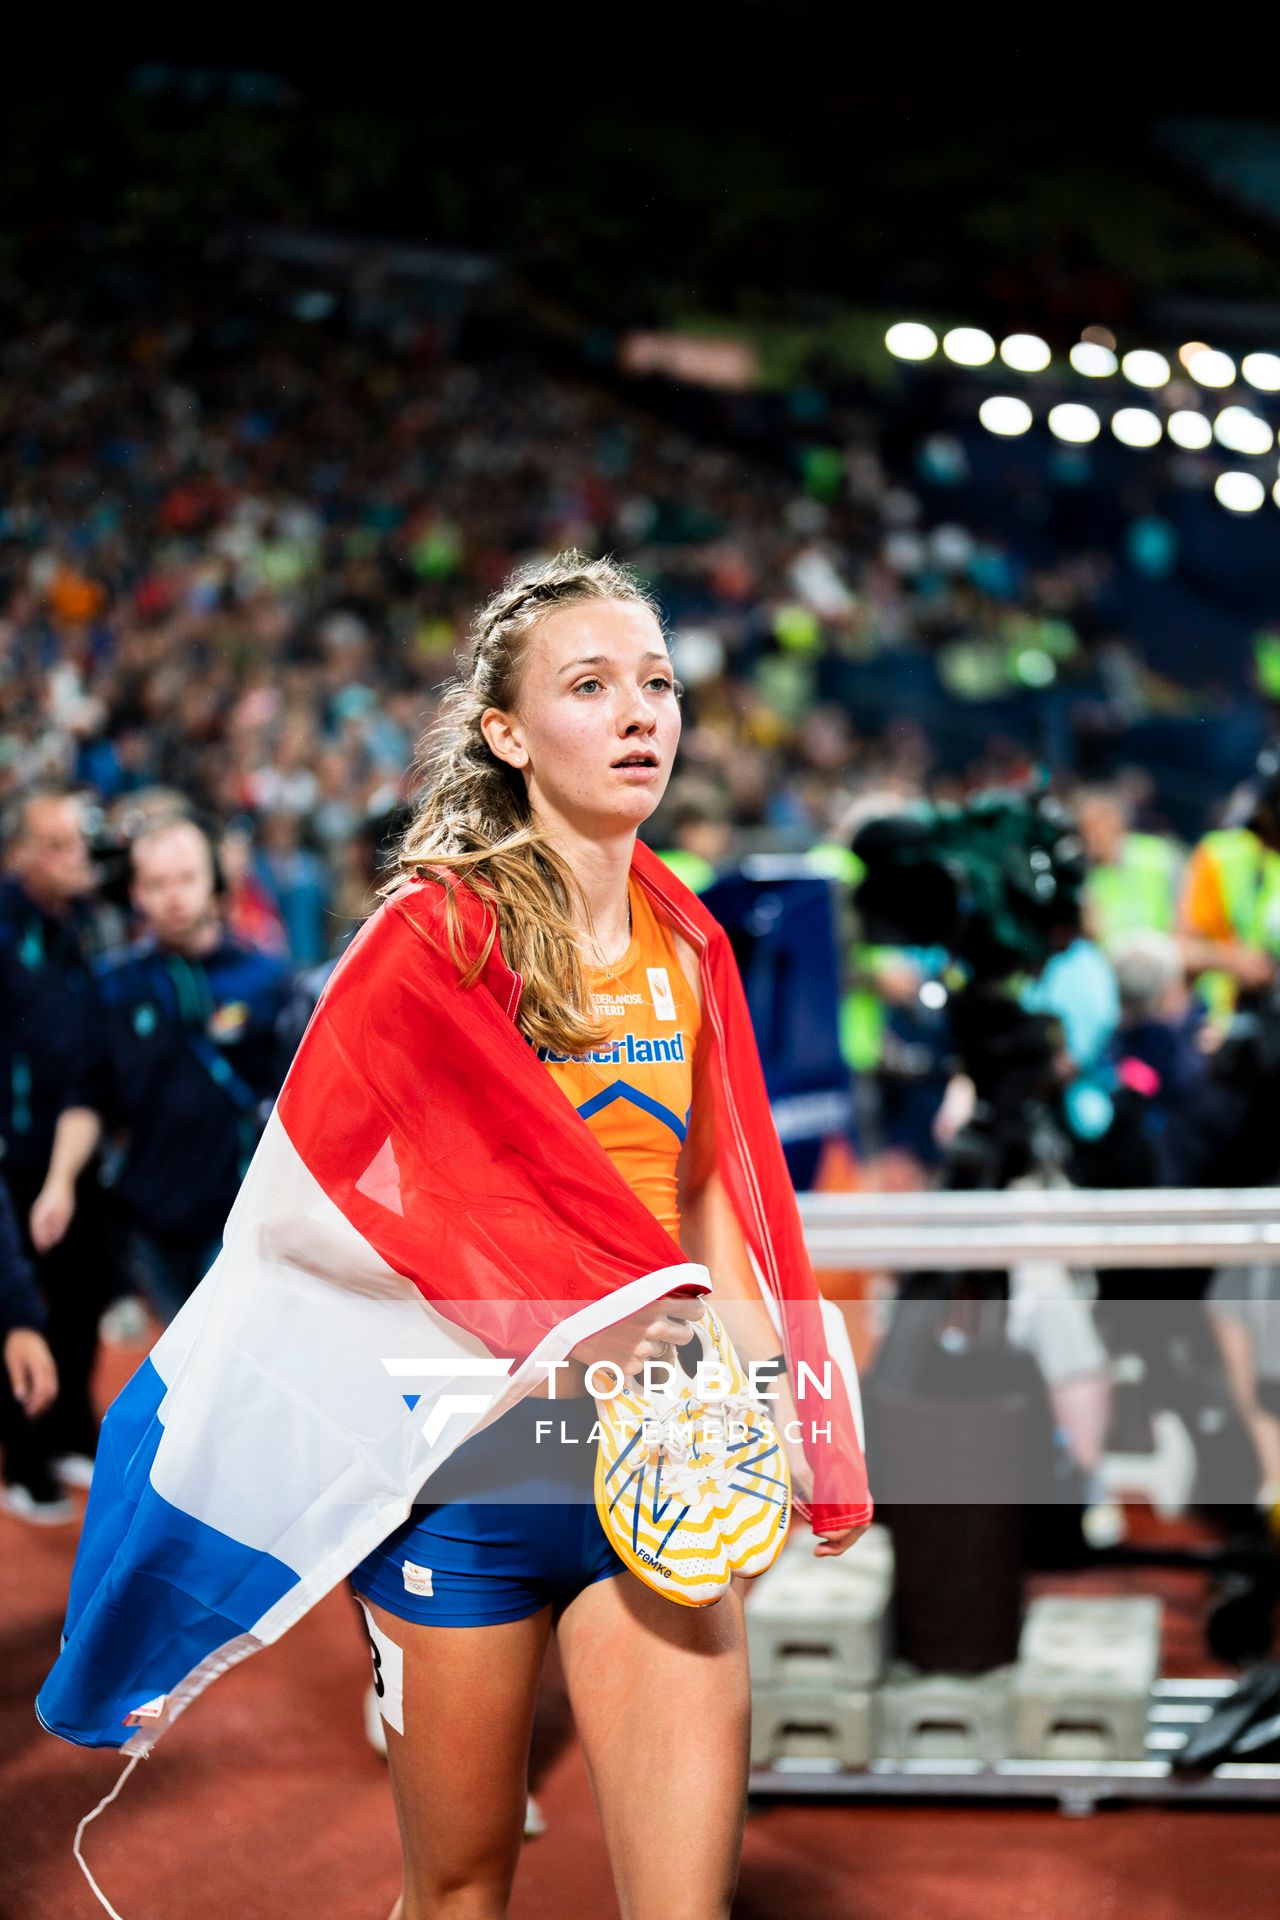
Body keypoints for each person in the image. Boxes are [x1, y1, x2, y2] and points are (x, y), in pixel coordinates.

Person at [345, 553, 870, 1920]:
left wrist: (771, 1405)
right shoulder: (433, 938)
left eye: (656, 683)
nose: (641, 713)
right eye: (591, 686)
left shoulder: (689, 944)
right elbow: (348, 1202)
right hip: (469, 1471)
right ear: (508, 735)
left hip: (663, 1467)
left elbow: (710, 1200)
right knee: (456, 1893)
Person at [93, 815, 293, 1322]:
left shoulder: (266, 980)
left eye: (186, 878)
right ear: (136, 891)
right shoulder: (112, 986)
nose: (173, 896)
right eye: (156, 884)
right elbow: (93, 1099)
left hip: (236, 1218)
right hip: (149, 1217)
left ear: (215, 883)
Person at [0, 788, 109, 1519]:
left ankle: (70, 1422)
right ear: (21, 855)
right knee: (17, 1304)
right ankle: (24, 1457)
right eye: (60, 846)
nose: (79, 858)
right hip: (14, 1146)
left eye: (79, 843)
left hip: (75, 1139)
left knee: (82, 1292)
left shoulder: (83, 925)